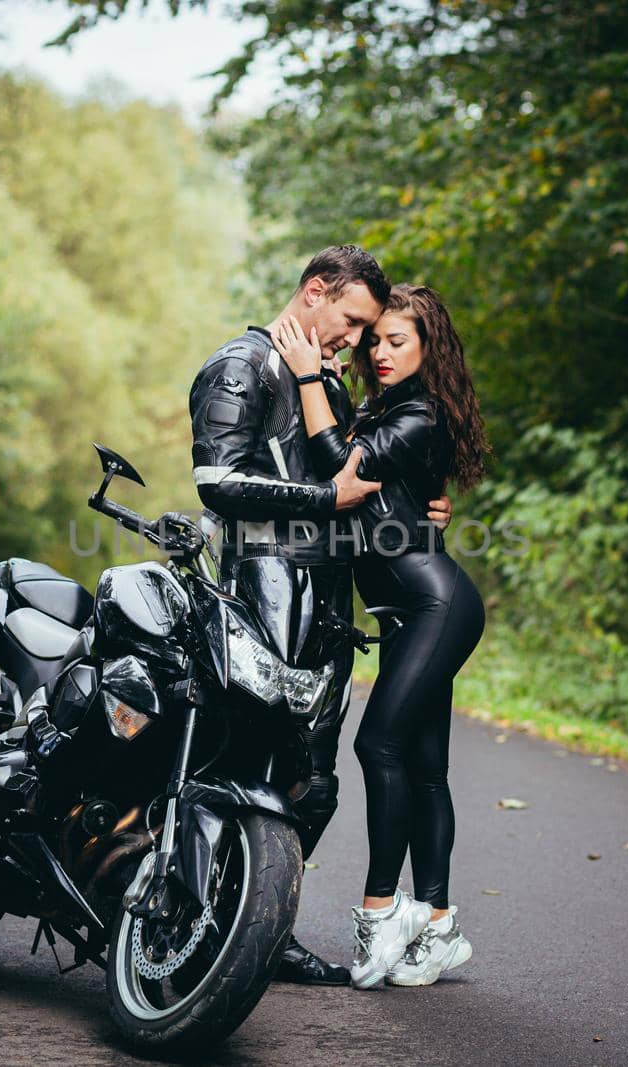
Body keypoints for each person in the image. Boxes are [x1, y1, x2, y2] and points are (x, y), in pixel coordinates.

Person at [188, 247, 453, 985]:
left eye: (372, 330)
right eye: (351, 321)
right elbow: (217, 480)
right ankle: (196, 921)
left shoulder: (330, 386)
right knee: (237, 768)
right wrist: (322, 500)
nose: (357, 341)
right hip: (259, 600)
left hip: (330, 617)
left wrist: (427, 504)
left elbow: (368, 473)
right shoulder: (241, 365)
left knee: (314, 785)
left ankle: (263, 929)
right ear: (313, 293)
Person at [272, 283, 490, 989]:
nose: (382, 351)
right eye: (377, 340)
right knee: (425, 768)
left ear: (429, 348)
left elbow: (343, 466)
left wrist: (308, 375)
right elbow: (398, 487)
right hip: (406, 611)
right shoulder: (387, 407)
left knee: (377, 744)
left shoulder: (419, 412)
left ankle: (380, 911)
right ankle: (439, 925)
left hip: (436, 603)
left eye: (399, 340)